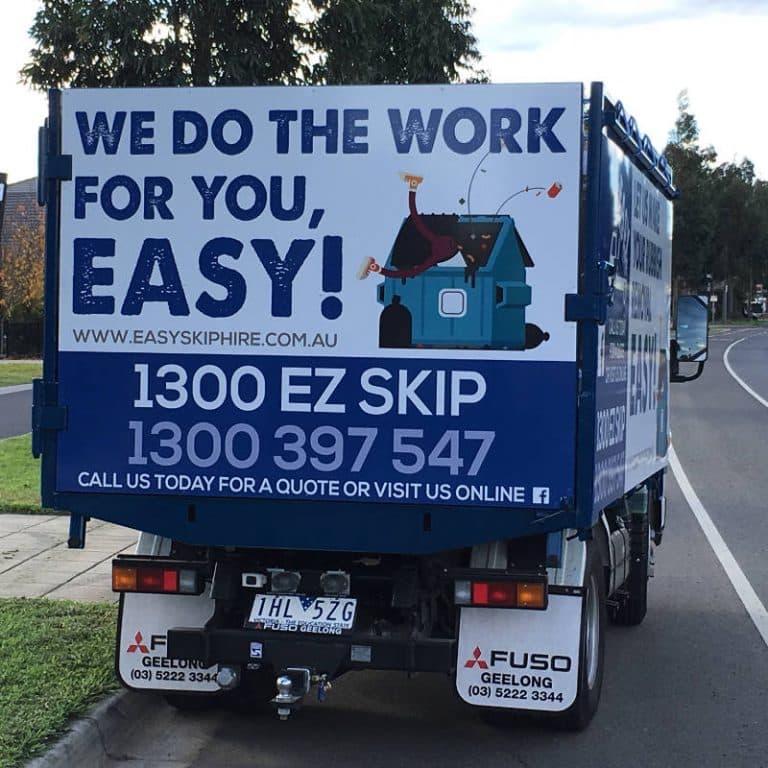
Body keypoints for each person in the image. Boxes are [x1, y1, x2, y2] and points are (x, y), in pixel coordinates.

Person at [358, 174, 471, 280]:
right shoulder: (437, 251)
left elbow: (415, 215)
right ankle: (413, 183)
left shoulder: (436, 243)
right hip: (422, 248)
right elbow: (411, 272)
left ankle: (413, 183)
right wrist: (378, 269)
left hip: (422, 243)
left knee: (416, 219)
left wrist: (413, 187)